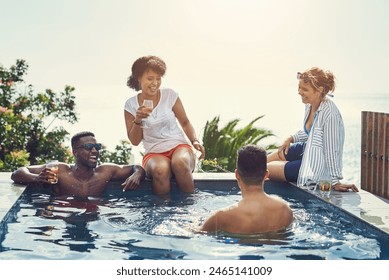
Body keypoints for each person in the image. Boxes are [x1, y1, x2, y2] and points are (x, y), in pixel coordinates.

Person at [267, 67, 358, 192]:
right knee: (263, 161)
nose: (299, 92)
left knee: (265, 170)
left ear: (319, 90)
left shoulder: (330, 114)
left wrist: (335, 181)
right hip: (307, 150)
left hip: (316, 167)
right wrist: (291, 138)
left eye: (305, 89)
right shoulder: (309, 105)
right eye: (299, 87)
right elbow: (311, 132)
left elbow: (332, 148)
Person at [124, 55, 205, 195]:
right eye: (150, 78)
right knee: (160, 171)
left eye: (158, 78)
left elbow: (185, 122)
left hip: (179, 146)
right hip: (154, 153)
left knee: (180, 163)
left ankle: (190, 209)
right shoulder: (130, 105)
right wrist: (138, 120)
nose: (155, 83)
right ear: (138, 78)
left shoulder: (170, 95)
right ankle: (162, 214)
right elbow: (135, 141)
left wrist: (195, 141)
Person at [11, 131, 146, 197]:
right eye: (88, 147)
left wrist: (138, 174)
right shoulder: (60, 170)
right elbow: (18, 172)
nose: (94, 151)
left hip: (95, 216)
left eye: (97, 147)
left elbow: (135, 167)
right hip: (64, 213)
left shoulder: (105, 172)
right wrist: (36, 178)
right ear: (75, 152)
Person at [201, 145, 293, 234]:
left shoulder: (221, 217)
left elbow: (196, 233)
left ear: (237, 174)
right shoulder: (285, 210)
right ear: (266, 175)